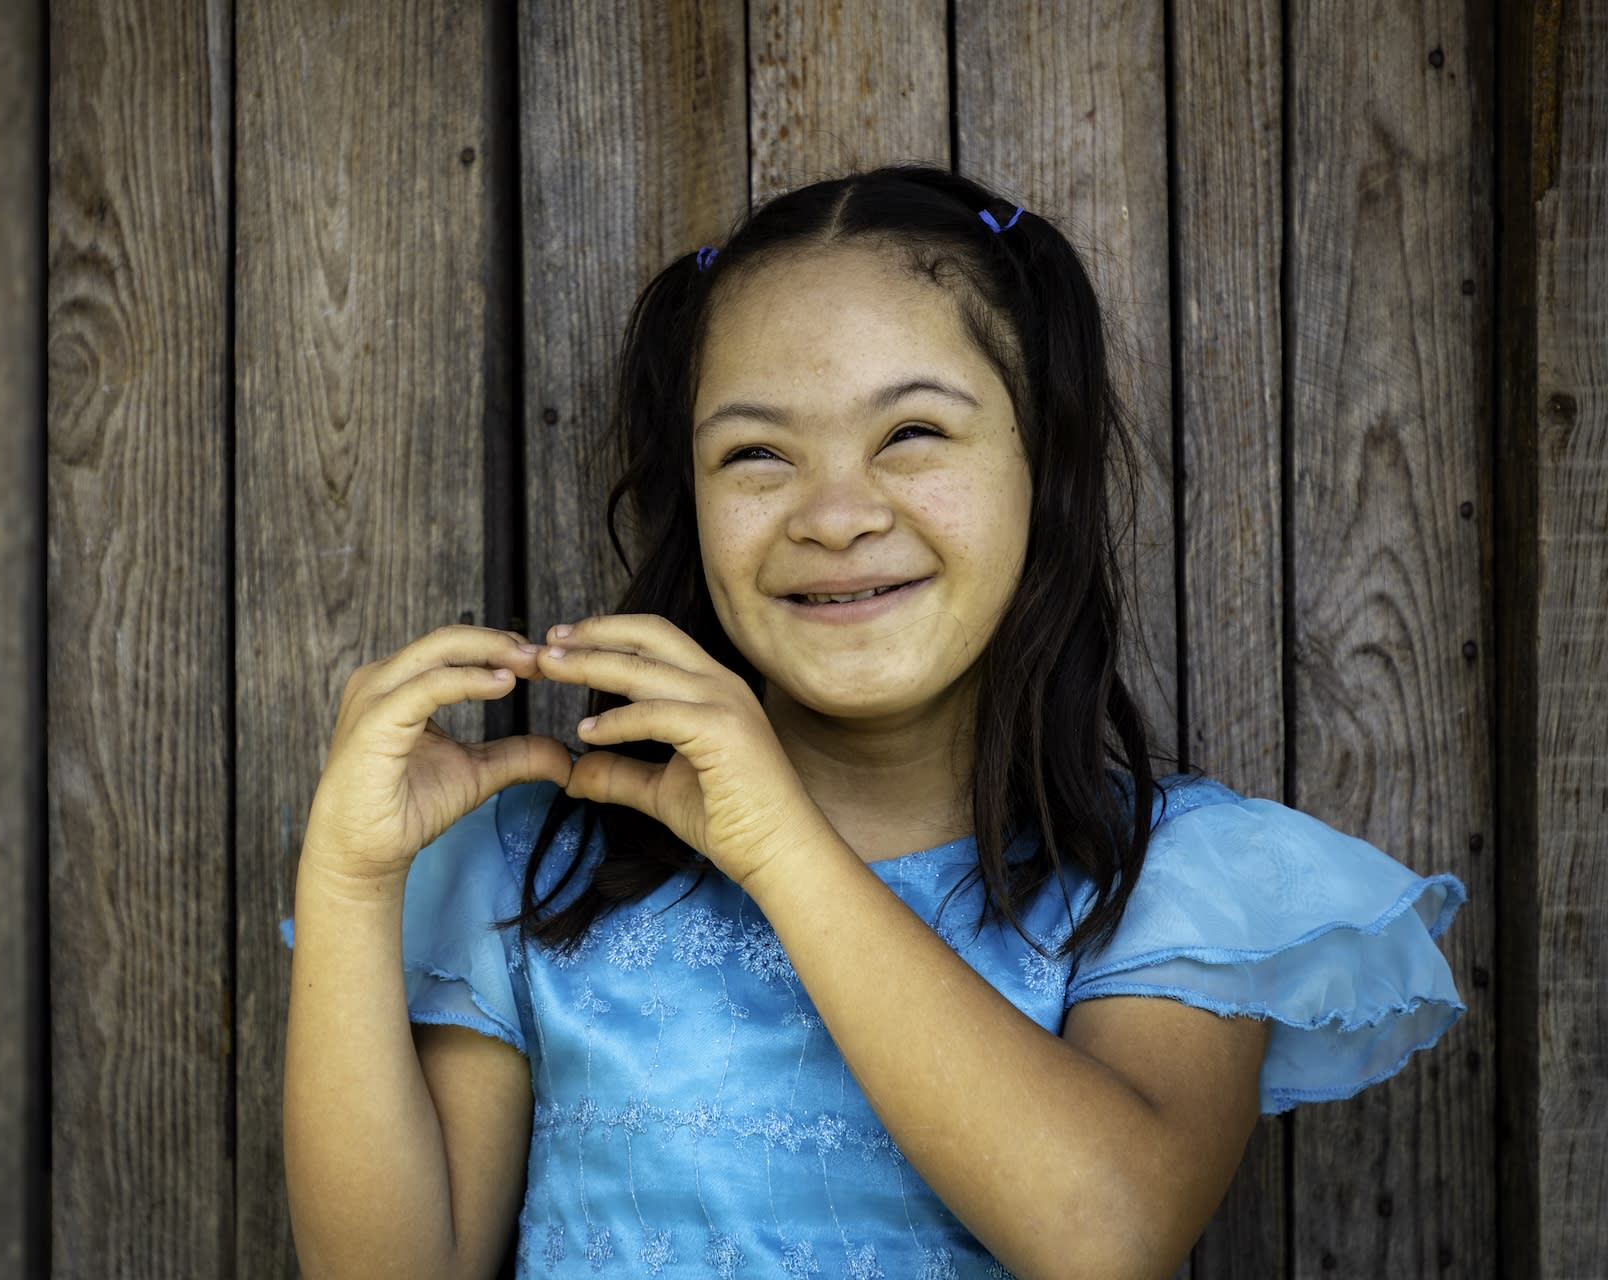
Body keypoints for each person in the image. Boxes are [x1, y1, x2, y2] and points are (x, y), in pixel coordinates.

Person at [280, 164, 1468, 1280]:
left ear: (1043, 458)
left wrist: (779, 845)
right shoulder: (541, 866)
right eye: (755, 452)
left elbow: (1107, 1233)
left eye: (910, 433)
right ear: (686, 502)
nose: (835, 514)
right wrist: (347, 882)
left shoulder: (1169, 879)